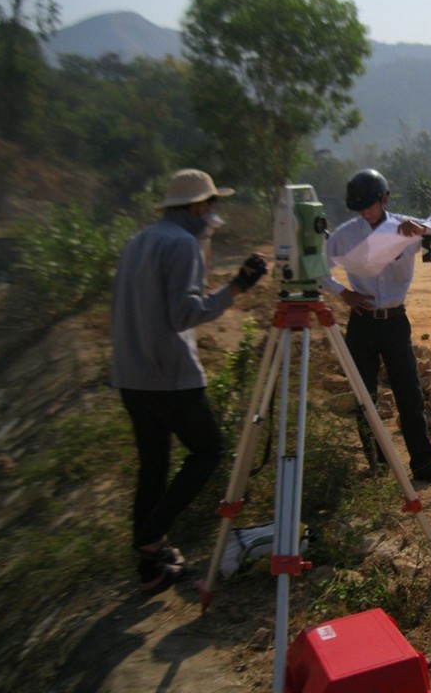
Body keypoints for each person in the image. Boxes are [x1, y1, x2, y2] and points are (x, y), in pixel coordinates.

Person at [111, 168, 268, 595]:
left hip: (131, 375)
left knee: (154, 464)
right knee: (209, 451)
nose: (215, 214)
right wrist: (238, 287)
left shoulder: (138, 241)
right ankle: (149, 537)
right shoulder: (181, 244)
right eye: (212, 205)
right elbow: (185, 313)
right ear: (199, 206)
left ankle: (151, 569)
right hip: (170, 376)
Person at [321, 168, 431, 488]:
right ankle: (379, 468)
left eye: (370, 205)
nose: (365, 212)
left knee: (409, 396)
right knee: (365, 397)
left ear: (384, 199)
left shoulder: (403, 227)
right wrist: (344, 294)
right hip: (362, 324)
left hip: (395, 322)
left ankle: (424, 467)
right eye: (360, 208)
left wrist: (421, 227)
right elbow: (319, 270)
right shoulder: (345, 234)